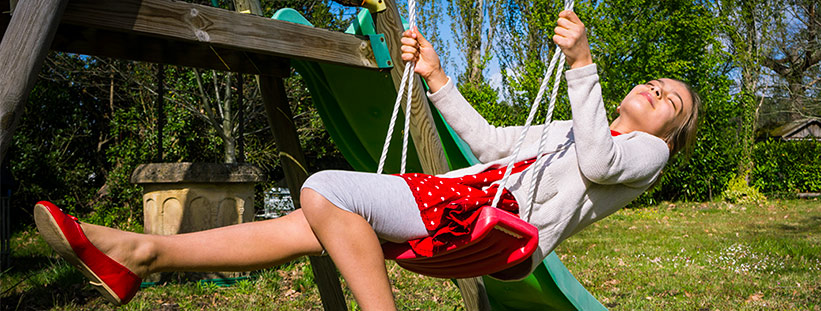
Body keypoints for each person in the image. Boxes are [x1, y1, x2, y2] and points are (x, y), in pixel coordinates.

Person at [33, 10, 700, 310]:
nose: (654, 90)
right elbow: (495, 143)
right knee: (308, 222)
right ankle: (143, 256)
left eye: (670, 99)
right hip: (460, 202)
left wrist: (581, 66)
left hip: (483, 220)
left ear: (671, 133)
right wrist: (439, 79)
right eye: (656, 81)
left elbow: (603, 160)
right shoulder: (572, 123)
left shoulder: (646, 155)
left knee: (326, 190)